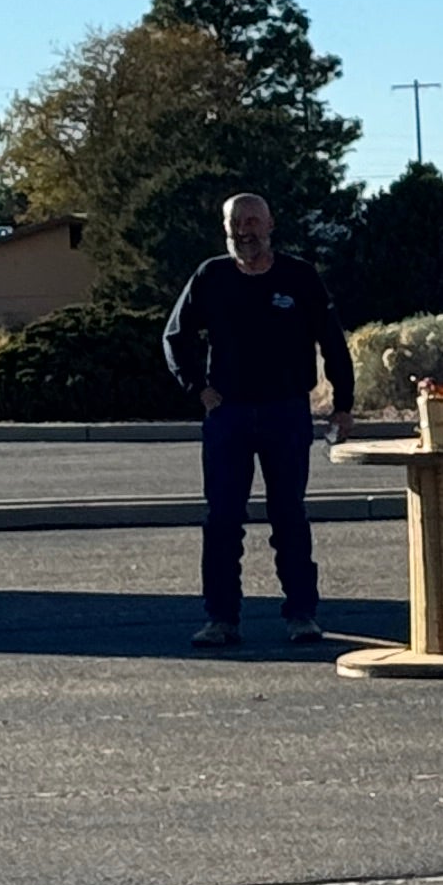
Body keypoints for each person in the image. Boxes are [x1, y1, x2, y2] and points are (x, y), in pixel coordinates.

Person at [161, 192, 356, 653]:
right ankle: (221, 619)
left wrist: (343, 404)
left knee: (289, 515)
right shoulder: (211, 276)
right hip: (227, 415)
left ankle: (302, 614)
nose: (245, 231)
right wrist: (197, 389)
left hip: (285, 412)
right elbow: (175, 336)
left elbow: (332, 341)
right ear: (225, 228)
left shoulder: (299, 277)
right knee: (223, 520)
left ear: (270, 225)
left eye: (253, 221)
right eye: (236, 223)